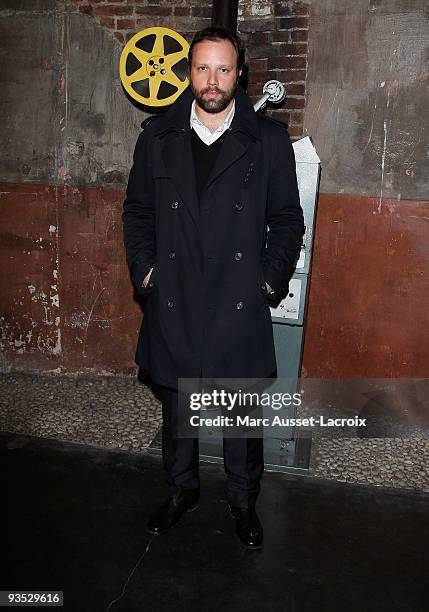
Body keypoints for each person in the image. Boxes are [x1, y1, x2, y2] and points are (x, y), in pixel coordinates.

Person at [122, 26, 304, 549]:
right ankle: (182, 491)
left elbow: (287, 219)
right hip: (175, 291)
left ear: (239, 73)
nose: (212, 80)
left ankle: (244, 502)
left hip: (237, 296)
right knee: (179, 400)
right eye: (203, 68)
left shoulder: (266, 140)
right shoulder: (157, 137)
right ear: (188, 72)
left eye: (223, 69)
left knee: (240, 409)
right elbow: (136, 212)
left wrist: (267, 281)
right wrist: (147, 271)